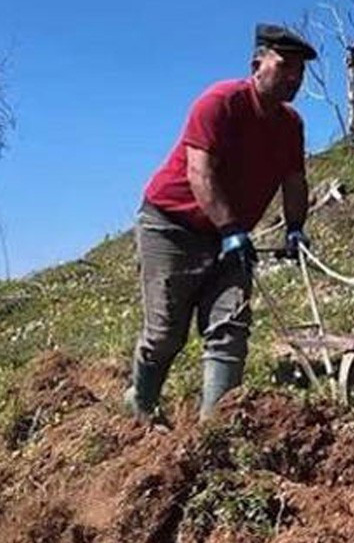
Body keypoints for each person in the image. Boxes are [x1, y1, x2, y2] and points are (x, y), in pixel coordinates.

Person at [124, 23, 316, 421]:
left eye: (300, 71)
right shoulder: (219, 103)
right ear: (257, 64)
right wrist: (230, 229)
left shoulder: (290, 126)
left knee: (230, 328)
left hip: (231, 239)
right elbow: (200, 173)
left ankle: (214, 430)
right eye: (285, 67)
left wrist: (295, 227)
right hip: (171, 226)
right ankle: (141, 406)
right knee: (165, 334)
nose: (294, 78)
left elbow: (294, 181)